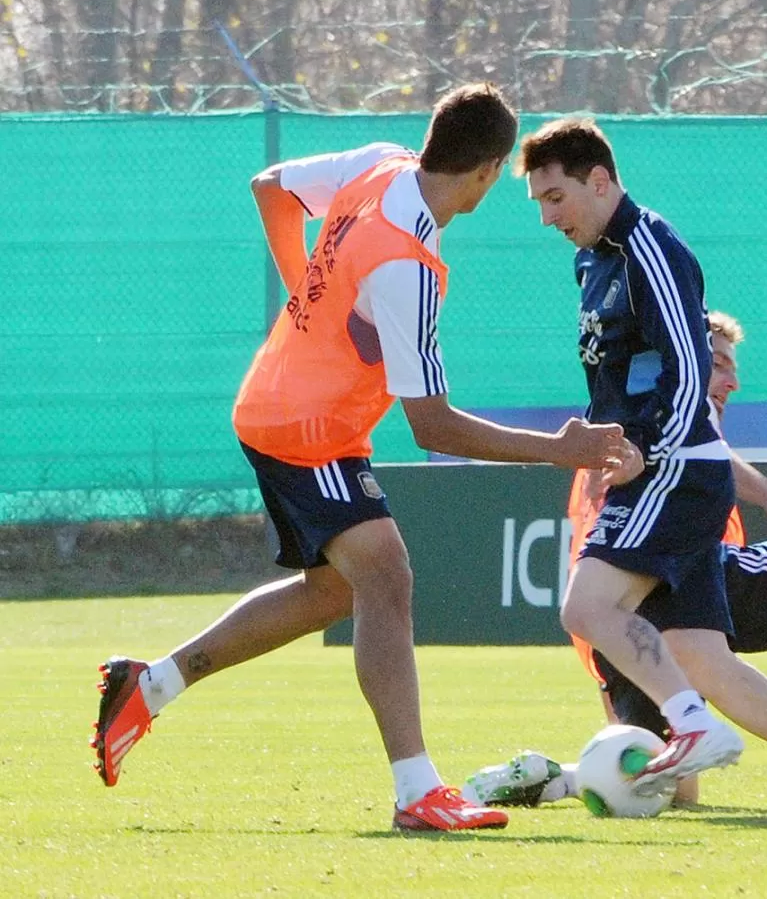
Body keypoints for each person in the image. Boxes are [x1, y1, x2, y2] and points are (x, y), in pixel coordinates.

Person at [89, 84, 637, 834]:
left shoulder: (380, 164)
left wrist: (301, 300)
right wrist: (559, 452)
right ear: (488, 171)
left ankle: (147, 687)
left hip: (288, 411)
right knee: (385, 574)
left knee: (333, 591)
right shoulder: (409, 268)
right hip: (302, 426)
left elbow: (270, 189)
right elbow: (434, 426)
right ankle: (417, 790)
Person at [500, 117, 767, 817]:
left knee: (586, 606)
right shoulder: (592, 261)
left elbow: (688, 368)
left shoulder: (653, 249)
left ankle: (697, 729)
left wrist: (644, 445)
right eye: (540, 204)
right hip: (656, 464)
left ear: (601, 181)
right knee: (703, 656)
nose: (550, 217)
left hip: (674, 469)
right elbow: (619, 377)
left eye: (557, 198)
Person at [464, 311, 767, 810]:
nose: (730, 381)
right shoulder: (659, 411)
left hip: (624, 630)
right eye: (716, 364)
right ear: (685, 361)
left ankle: (553, 777)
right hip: (676, 583)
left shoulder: (636, 415)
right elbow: (693, 453)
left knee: (666, 782)